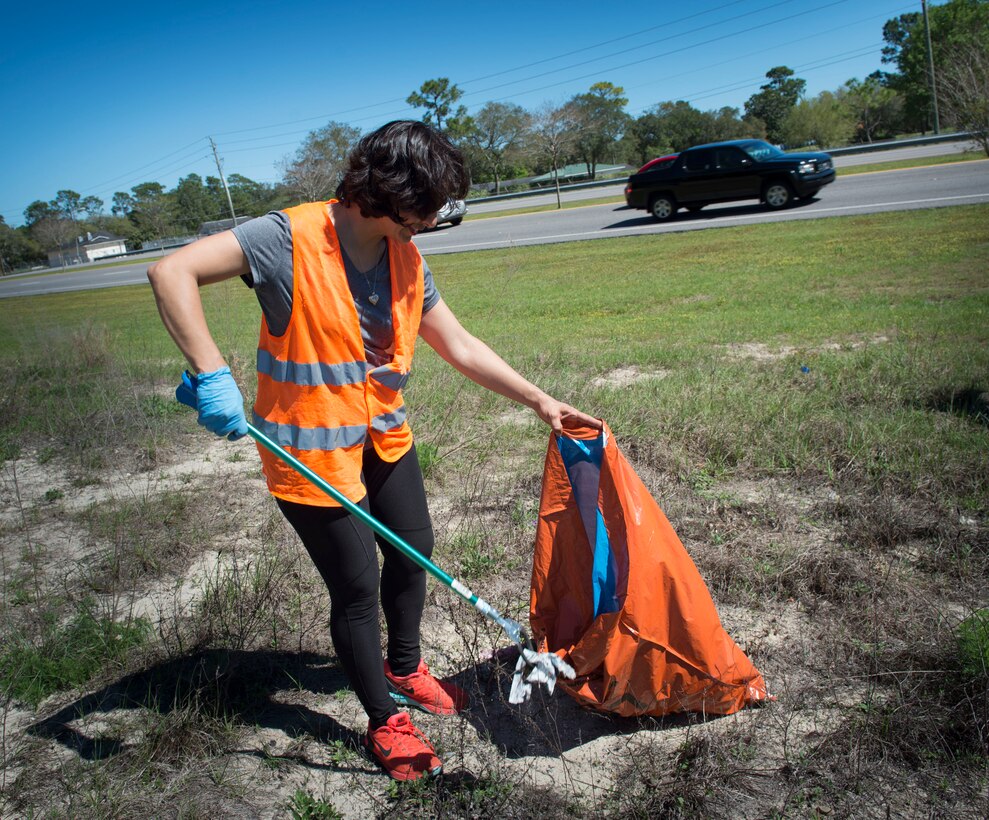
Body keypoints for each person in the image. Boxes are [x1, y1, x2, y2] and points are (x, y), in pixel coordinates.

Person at [148, 120, 599, 781]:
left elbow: (459, 344)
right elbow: (171, 270)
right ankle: (383, 718)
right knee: (356, 589)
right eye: (429, 202)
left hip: (382, 437)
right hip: (310, 453)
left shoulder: (404, 250)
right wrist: (212, 374)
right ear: (387, 190)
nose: (438, 217)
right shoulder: (287, 238)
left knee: (414, 549)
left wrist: (540, 401)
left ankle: (405, 667)